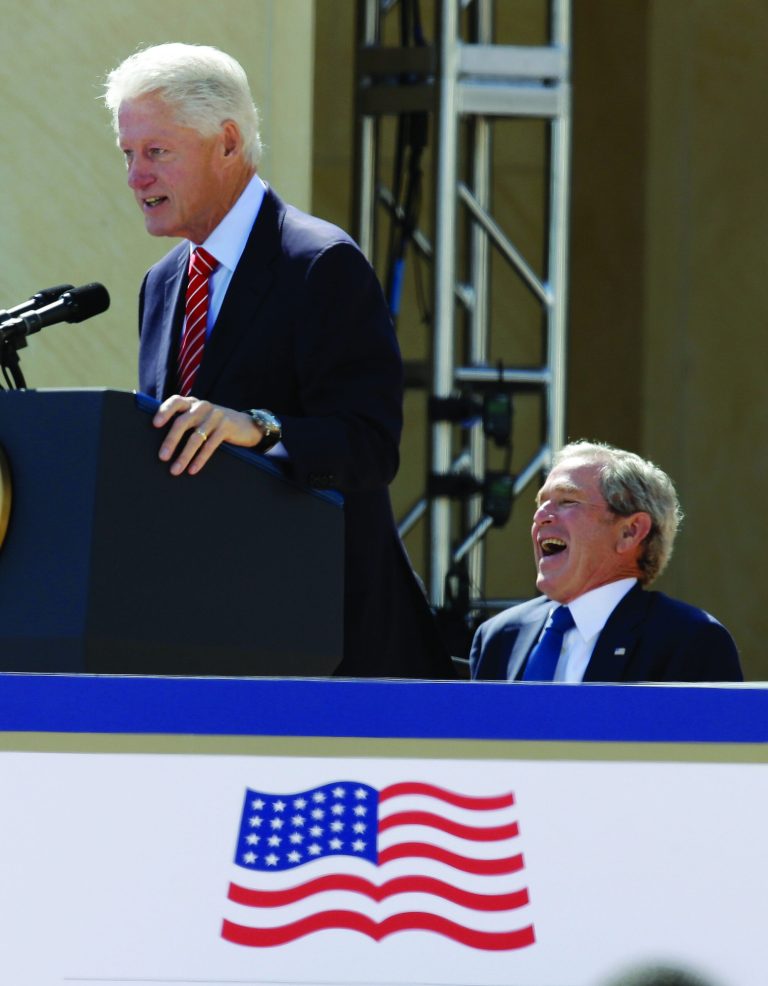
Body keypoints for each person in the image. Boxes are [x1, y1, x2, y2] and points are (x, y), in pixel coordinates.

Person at [103, 42, 454, 680]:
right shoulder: (161, 283)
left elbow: (370, 446)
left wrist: (259, 429)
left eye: (156, 152)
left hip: (325, 648)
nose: (136, 177)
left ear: (228, 142)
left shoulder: (320, 264)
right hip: (205, 639)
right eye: (128, 154)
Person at [470, 440, 742, 682]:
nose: (541, 515)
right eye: (541, 502)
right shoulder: (500, 636)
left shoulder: (689, 640)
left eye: (567, 500)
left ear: (630, 531)